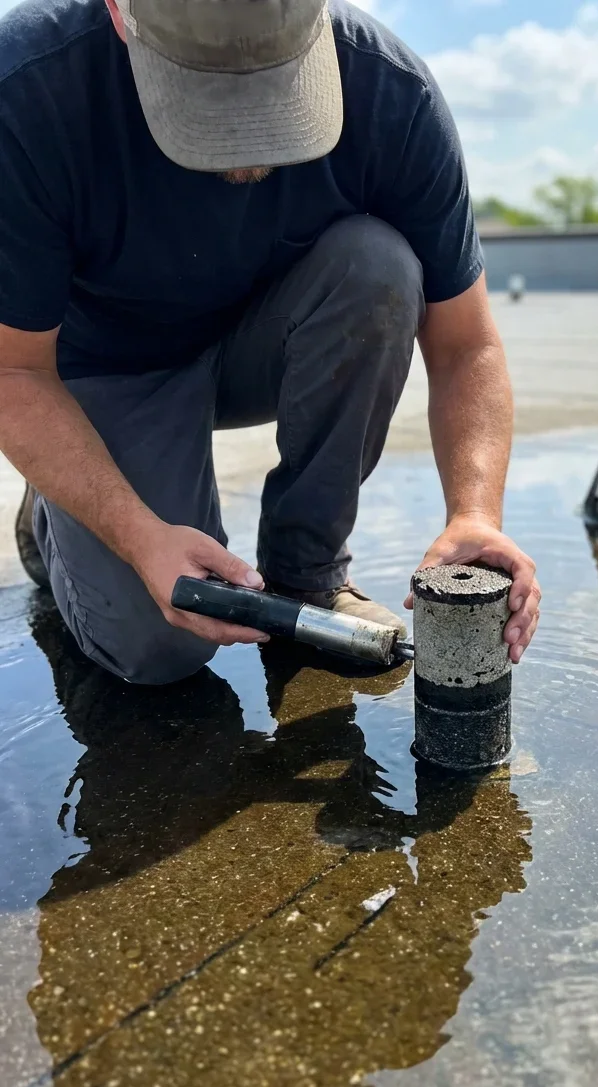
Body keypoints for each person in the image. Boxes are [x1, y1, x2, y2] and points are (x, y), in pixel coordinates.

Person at [0, 0, 540, 685]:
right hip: (108, 367)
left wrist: (475, 514)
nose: (245, 137)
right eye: (210, 93)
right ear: (118, 12)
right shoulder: (27, 88)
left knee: (380, 268)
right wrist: (137, 537)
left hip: (262, 344)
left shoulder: (389, 89)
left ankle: (306, 573)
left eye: (269, 92)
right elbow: (12, 372)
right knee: (159, 650)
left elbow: (468, 346)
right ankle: (56, 519)